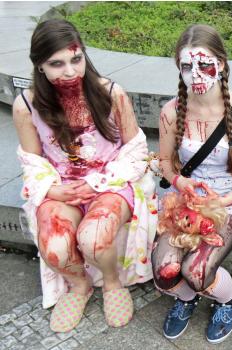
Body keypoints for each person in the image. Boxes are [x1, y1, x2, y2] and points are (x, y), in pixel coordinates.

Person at [12, 19, 158, 332]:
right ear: (39, 66)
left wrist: (97, 182)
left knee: (94, 238)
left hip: (111, 183)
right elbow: (32, 161)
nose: (69, 71)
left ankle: (111, 283)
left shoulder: (110, 94)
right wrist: (52, 190)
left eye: (76, 59)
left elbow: (136, 151)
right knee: (54, 245)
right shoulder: (26, 106)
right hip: (63, 188)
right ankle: (78, 286)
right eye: (56, 64)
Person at [153, 24, 232, 343]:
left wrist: (223, 201)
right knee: (164, 273)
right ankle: (187, 299)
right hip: (187, 197)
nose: (196, 75)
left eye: (204, 65)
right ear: (178, 68)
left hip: (230, 198)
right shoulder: (171, 112)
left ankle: (226, 299)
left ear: (221, 63)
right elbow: (165, 162)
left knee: (196, 271)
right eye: (187, 67)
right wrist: (179, 181)